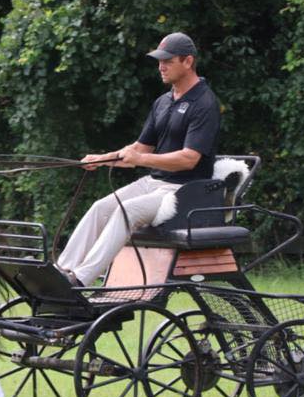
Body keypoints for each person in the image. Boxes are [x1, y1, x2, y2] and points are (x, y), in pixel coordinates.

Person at [56, 32, 221, 286]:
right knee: (101, 207)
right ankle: (61, 272)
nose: (161, 66)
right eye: (158, 61)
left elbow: (189, 159)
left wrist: (141, 159)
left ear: (188, 62)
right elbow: (139, 148)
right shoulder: (163, 102)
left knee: (128, 211)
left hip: (184, 192)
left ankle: (79, 280)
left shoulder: (205, 103)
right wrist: (103, 159)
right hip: (153, 184)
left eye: (168, 61)